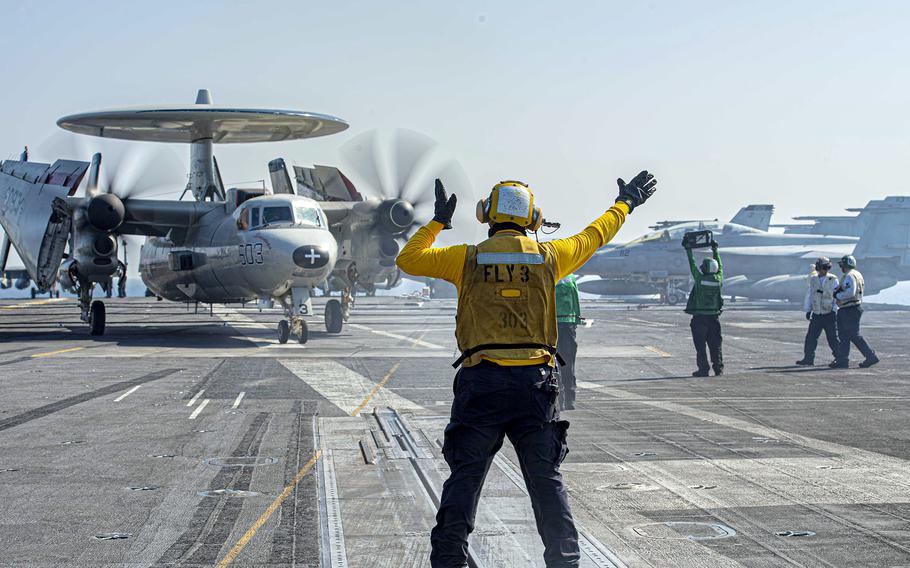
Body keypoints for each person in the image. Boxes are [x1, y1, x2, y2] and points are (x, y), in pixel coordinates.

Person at [396, 172, 657, 568]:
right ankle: (565, 562)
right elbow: (595, 235)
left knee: (464, 480)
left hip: (481, 384)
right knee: (546, 483)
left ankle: (449, 561)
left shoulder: (466, 258)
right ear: (534, 217)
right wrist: (625, 203)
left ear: (486, 215)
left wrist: (437, 223)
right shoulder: (549, 257)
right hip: (535, 385)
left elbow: (407, 259)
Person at [831, 255, 879, 368]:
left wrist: (837, 295)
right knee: (844, 335)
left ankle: (870, 356)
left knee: (853, 335)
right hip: (850, 308)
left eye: (842, 265)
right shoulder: (857, 274)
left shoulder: (849, 276)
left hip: (849, 309)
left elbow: (850, 293)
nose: (841, 267)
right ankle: (842, 360)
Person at [684, 240, 723, 377]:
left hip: (700, 319)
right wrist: (715, 250)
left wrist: (688, 250)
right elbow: (721, 267)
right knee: (716, 345)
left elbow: (692, 265)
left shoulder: (700, 279)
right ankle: (718, 368)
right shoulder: (719, 279)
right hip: (714, 318)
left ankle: (703, 369)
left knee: (701, 347)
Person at [796, 257, 839, 366]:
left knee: (833, 338)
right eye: (823, 267)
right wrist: (808, 309)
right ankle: (808, 358)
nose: (824, 270)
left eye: (826, 268)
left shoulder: (833, 279)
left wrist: (834, 310)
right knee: (811, 337)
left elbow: (836, 296)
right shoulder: (814, 279)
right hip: (816, 314)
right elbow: (810, 295)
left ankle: (840, 358)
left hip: (829, 313)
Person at [555, 273, 581, 410]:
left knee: (560, 363)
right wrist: (577, 319)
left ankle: (563, 399)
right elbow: (576, 301)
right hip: (566, 326)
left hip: (556, 326)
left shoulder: (548, 275)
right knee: (566, 362)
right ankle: (568, 399)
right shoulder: (570, 278)